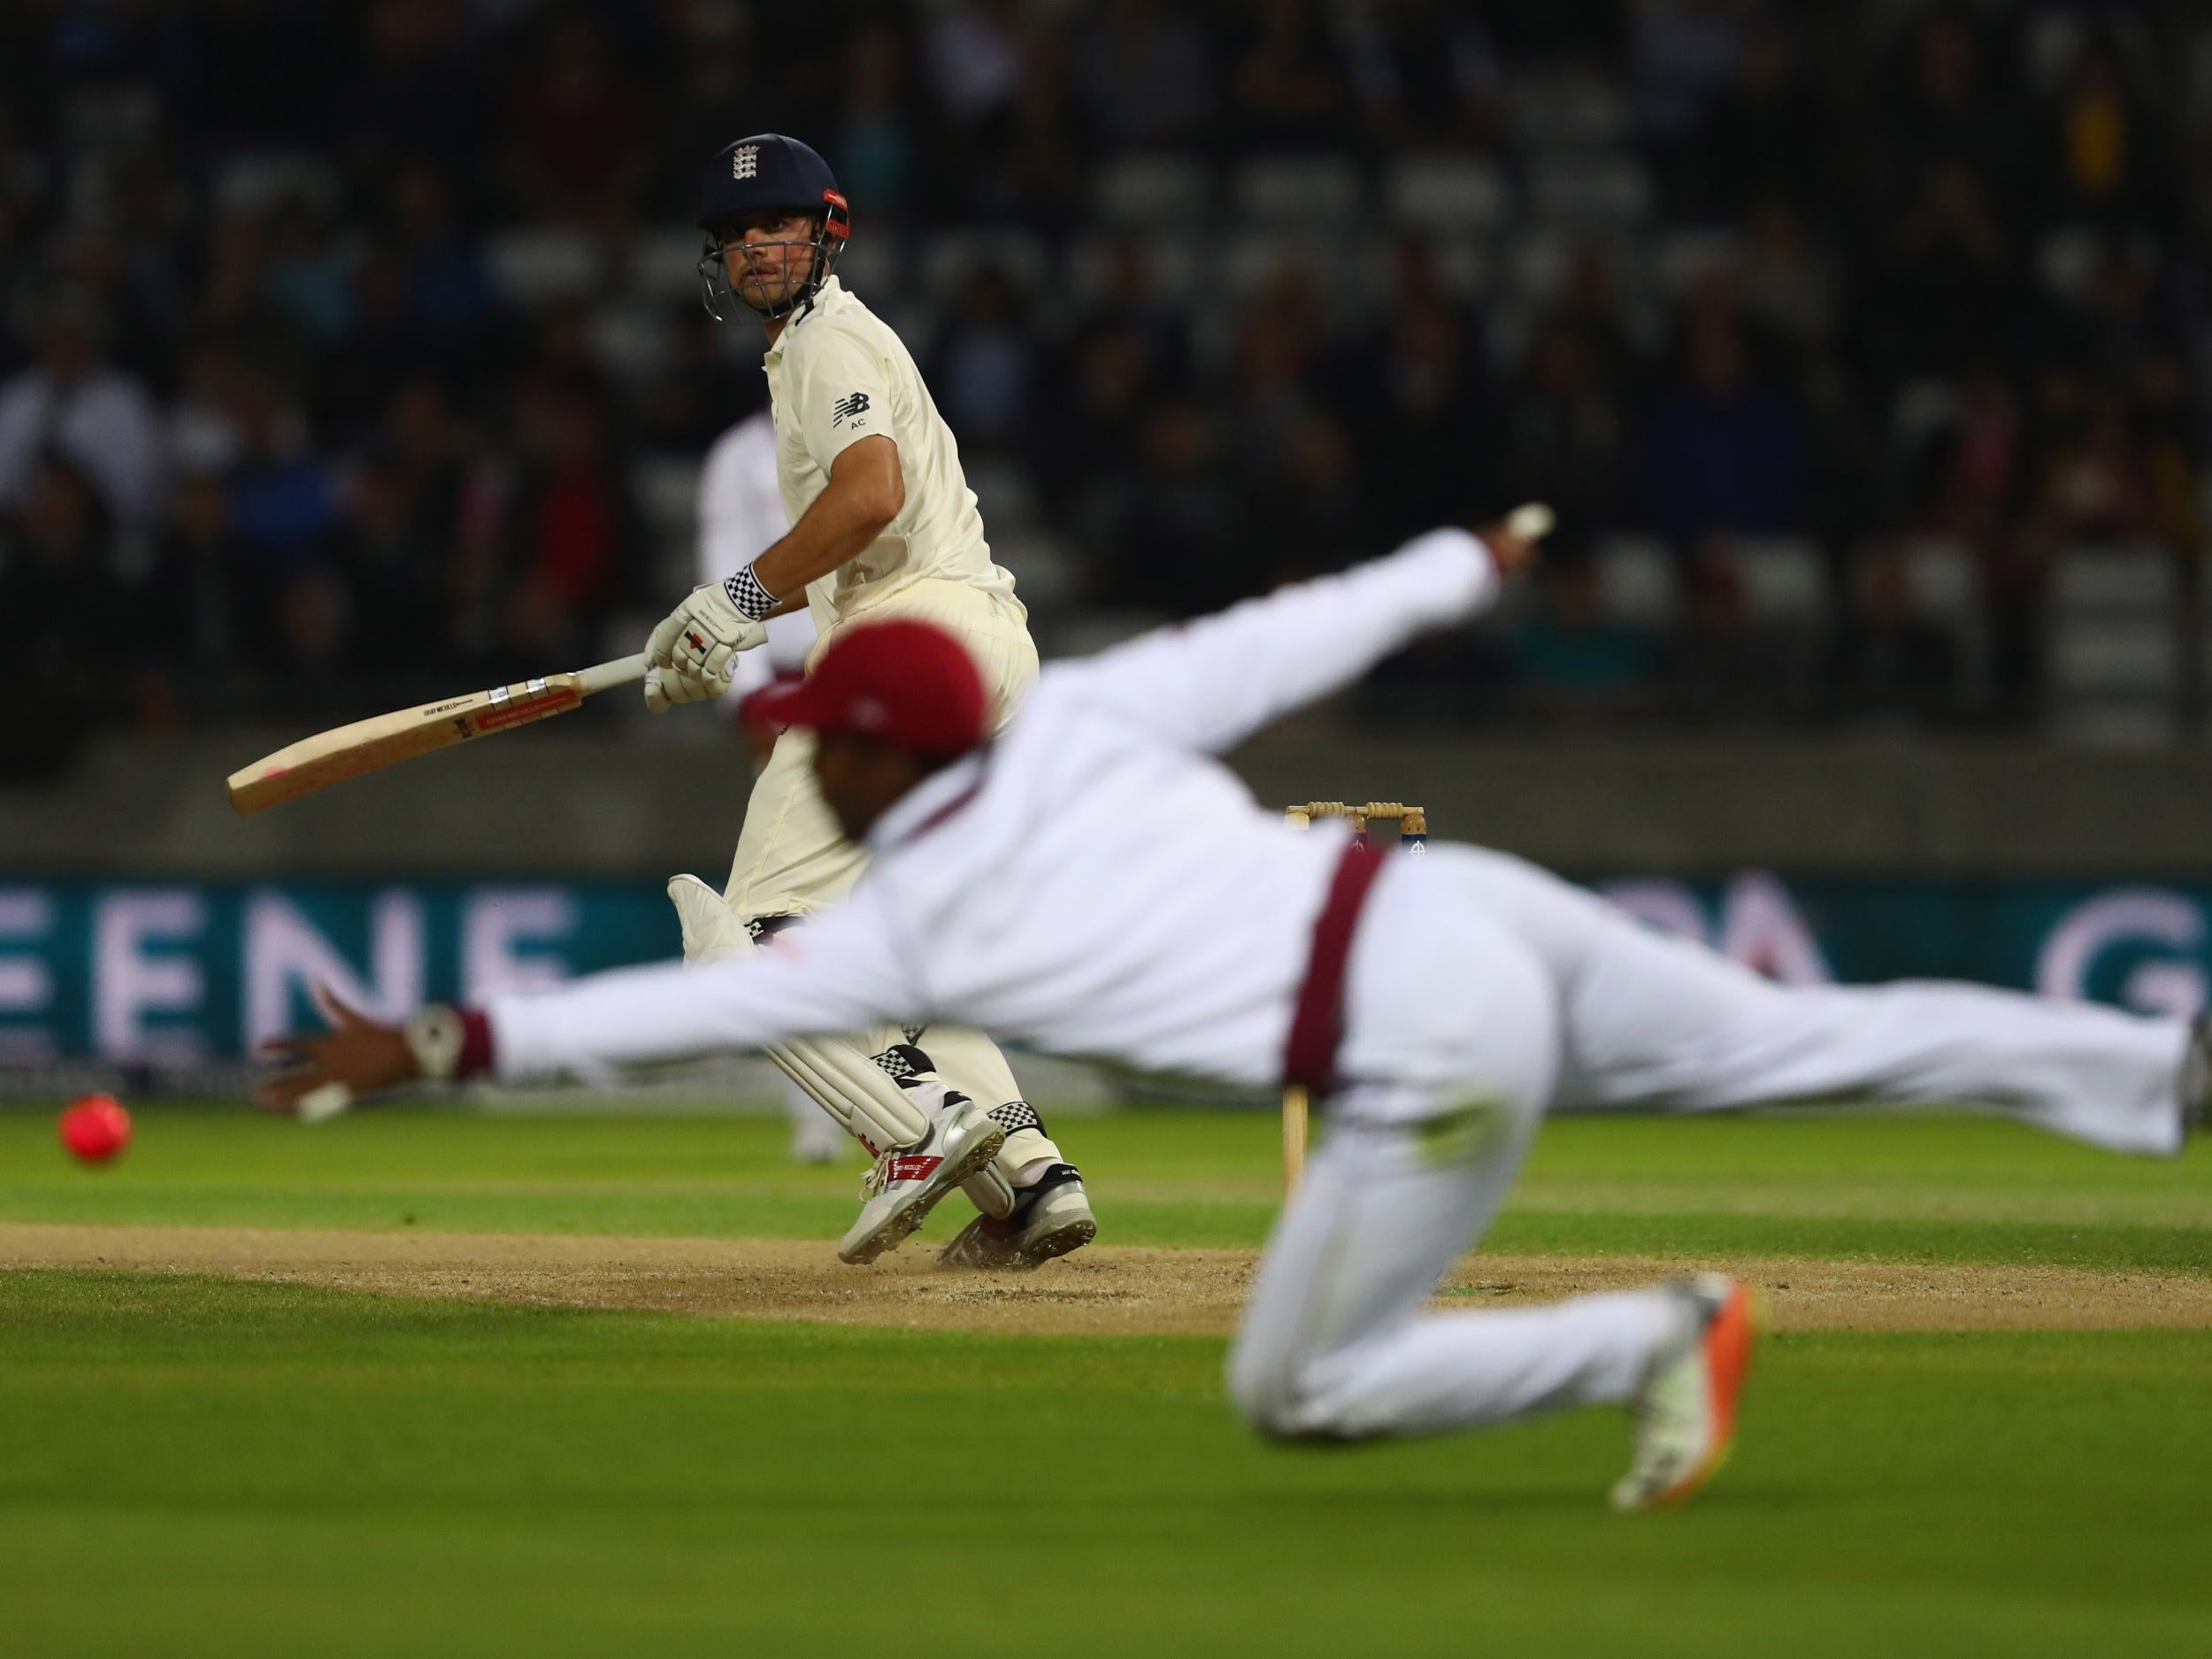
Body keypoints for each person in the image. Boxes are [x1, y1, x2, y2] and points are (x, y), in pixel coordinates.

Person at [262, 513, 2204, 1510]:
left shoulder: (915, 909)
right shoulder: (1088, 714)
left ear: (872, 764)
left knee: (1297, 1386)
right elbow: (1295, 632)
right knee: (1822, 1044)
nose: (808, 771)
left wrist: (428, 1047)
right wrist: (1464, 559)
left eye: (820, 749)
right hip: (1472, 910)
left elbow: (632, 1018)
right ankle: (2155, 1065)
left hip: (1419, 1052)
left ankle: (1661, 1336)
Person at [640, 134, 1092, 1269]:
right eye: (736, 235)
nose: (754, 247)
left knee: (746, 937)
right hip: (984, 662)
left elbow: (871, 495)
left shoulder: (828, 336)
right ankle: (1029, 1182)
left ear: (827, 231)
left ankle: (917, 1130)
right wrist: (724, 634)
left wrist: (738, 600)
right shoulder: (816, 346)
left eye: (777, 225)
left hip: (917, 648)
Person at [697, 408, 841, 1164]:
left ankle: (918, 1098)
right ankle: (818, 1109)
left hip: (868, 664)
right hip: (787, 680)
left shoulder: (860, 427)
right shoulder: (740, 452)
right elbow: (724, 562)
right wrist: (748, 694)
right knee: (788, 904)